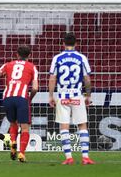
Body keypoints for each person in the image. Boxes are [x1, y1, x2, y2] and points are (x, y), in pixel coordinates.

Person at [48, 32, 95, 165]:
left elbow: (52, 78)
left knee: (64, 126)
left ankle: (69, 157)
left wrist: (51, 96)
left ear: (63, 43)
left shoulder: (57, 58)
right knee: (82, 125)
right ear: (76, 43)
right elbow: (87, 78)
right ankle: (85, 157)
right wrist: (88, 95)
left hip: (62, 96)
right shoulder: (81, 58)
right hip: (77, 95)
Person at [0, 45, 38, 163]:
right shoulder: (32, 67)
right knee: (25, 127)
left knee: (12, 123)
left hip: (8, 97)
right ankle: (21, 153)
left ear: (17, 54)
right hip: (21, 98)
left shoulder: (8, 65)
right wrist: (29, 98)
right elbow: (35, 88)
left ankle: (13, 143)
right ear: (29, 55)